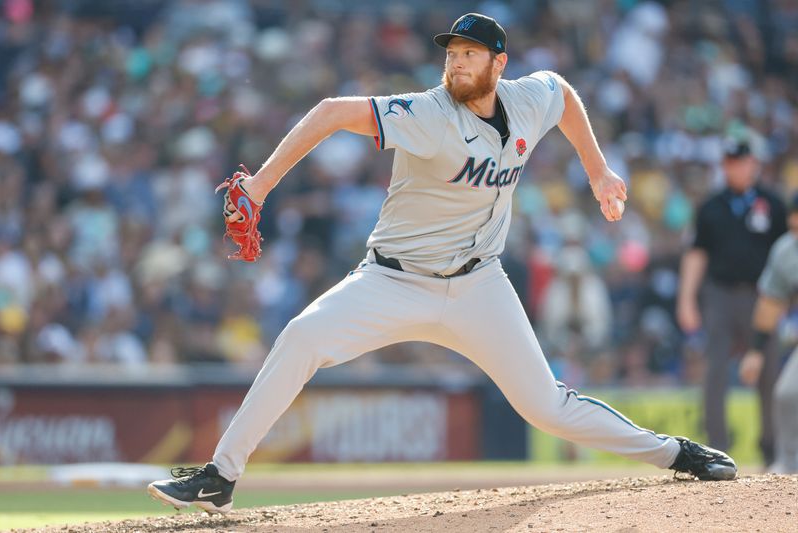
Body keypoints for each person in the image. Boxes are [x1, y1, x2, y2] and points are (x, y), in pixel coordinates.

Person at [149, 13, 737, 514]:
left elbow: (561, 92)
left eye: (469, 54)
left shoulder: (527, 101)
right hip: (392, 280)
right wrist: (258, 187)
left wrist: (598, 170)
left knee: (547, 407)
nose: (456, 63)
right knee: (301, 338)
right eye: (452, 53)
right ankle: (222, 477)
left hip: (480, 285)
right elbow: (330, 112)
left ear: (498, 64)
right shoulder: (428, 114)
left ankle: (675, 453)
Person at [677, 134, 787, 462]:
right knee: (715, 372)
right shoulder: (711, 207)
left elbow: (787, 255)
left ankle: (772, 450)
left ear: (754, 164)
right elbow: (696, 255)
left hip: (763, 297)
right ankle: (717, 449)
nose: (735, 169)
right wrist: (686, 299)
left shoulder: (773, 203)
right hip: (720, 295)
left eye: (741, 162)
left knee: (768, 373)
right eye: (729, 163)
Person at [738, 193, 798, 474]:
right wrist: (756, 350)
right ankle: (789, 464)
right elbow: (769, 305)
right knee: (788, 393)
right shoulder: (787, 251)